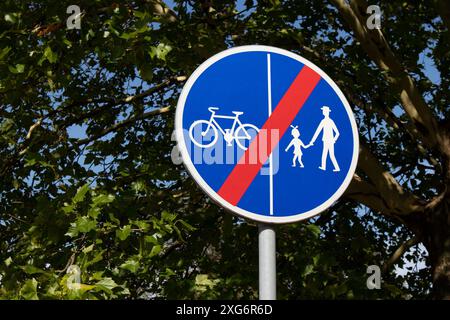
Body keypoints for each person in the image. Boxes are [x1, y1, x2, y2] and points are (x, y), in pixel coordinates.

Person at [308, 106, 340, 172]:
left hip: (330, 140)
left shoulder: (330, 121)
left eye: (324, 111)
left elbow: (337, 133)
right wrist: (312, 141)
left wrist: (334, 140)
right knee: (325, 153)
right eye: (323, 111)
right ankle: (323, 166)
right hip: (325, 140)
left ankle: (336, 168)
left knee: (331, 155)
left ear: (327, 112)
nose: (323, 112)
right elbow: (317, 131)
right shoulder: (323, 121)